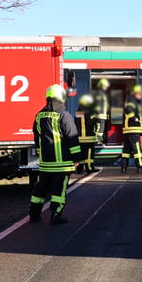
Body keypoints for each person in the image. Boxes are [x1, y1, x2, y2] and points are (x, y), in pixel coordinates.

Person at [29, 84, 80, 225]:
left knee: (40, 188)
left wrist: (41, 153)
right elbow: (72, 138)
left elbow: (37, 138)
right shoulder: (64, 115)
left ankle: (34, 215)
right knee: (59, 191)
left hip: (46, 163)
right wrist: (77, 158)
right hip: (62, 164)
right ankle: (56, 215)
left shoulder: (39, 116)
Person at [121, 84, 142, 173]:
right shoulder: (132, 102)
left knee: (126, 150)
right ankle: (140, 167)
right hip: (133, 130)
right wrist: (137, 119)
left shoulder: (131, 101)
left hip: (129, 131)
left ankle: (124, 167)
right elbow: (131, 114)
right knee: (137, 150)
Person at [74, 93, 99, 174]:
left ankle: (79, 169)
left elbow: (76, 124)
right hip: (89, 137)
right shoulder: (89, 112)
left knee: (81, 154)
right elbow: (90, 122)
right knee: (89, 154)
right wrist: (96, 118)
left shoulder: (78, 112)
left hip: (80, 137)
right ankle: (89, 168)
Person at [93, 78, 111, 145]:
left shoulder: (101, 93)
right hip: (100, 115)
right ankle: (98, 140)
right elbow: (97, 103)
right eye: (105, 86)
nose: (106, 87)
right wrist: (98, 113)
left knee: (101, 128)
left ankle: (99, 140)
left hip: (102, 115)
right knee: (99, 128)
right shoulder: (99, 93)